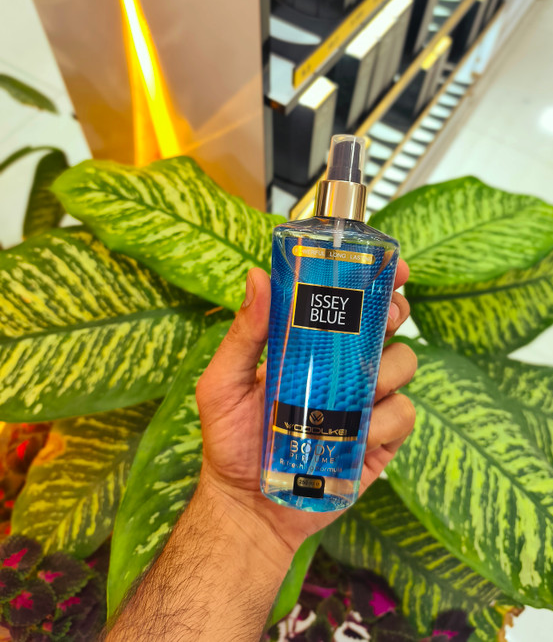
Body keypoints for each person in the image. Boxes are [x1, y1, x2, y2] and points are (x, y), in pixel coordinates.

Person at [105, 263, 417, 641]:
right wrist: (235, 506)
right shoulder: (299, 248)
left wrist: (248, 521)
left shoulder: (361, 256)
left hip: (313, 476)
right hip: (272, 465)